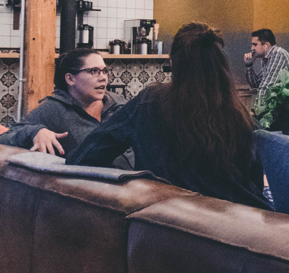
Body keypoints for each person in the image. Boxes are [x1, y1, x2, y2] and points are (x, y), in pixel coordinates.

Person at [69, 22, 271, 210]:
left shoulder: (149, 102)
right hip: (240, 224)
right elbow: (254, 183)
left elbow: (85, 157)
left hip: (166, 226)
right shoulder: (241, 116)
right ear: (221, 67)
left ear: (173, 63)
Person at [0, 49, 135, 169]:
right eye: (94, 71)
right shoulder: (53, 109)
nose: (103, 78)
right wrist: (34, 131)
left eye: (105, 71)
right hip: (99, 188)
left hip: (141, 181)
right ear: (70, 79)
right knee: (151, 94)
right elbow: (0, 141)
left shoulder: (118, 103)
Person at [245, 28, 289, 99]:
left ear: (266, 45)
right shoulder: (266, 59)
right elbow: (256, 85)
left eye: (255, 45)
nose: (252, 48)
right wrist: (249, 65)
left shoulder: (278, 53)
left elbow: (267, 87)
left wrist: (256, 109)